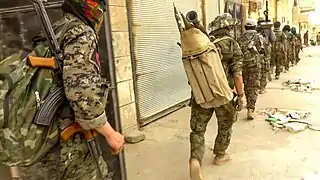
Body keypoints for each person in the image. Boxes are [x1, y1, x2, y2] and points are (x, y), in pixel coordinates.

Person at [20, 0, 125, 179]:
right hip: (69, 141)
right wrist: (110, 134)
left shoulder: (60, 27)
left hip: (47, 138)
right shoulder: (81, 33)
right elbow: (82, 92)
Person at [189, 13, 244, 180]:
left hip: (201, 93)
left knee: (198, 129)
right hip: (223, 94)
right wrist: (240, 95)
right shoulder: (232, 44)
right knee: (225, 125)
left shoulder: (203, 42)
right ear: (228, 28)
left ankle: (195, 160)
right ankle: (220, 155)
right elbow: (237, 74)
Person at [238, 19, 262, 120]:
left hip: (242, 66)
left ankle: (240, 101)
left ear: (245, 27)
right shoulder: (258, 37)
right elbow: (261, 49)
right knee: (253, 87)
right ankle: (250, 109)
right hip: (254, 66)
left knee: (243, 85)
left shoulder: (240, 37)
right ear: (254, 27)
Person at [256, 17, 275, 93]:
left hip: (257, 51)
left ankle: (256, 87)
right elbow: (273, 39)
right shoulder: (268, 28)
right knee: (265, 69)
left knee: (257, 69)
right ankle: (262, 88)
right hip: (266, 52)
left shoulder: (255, 28)